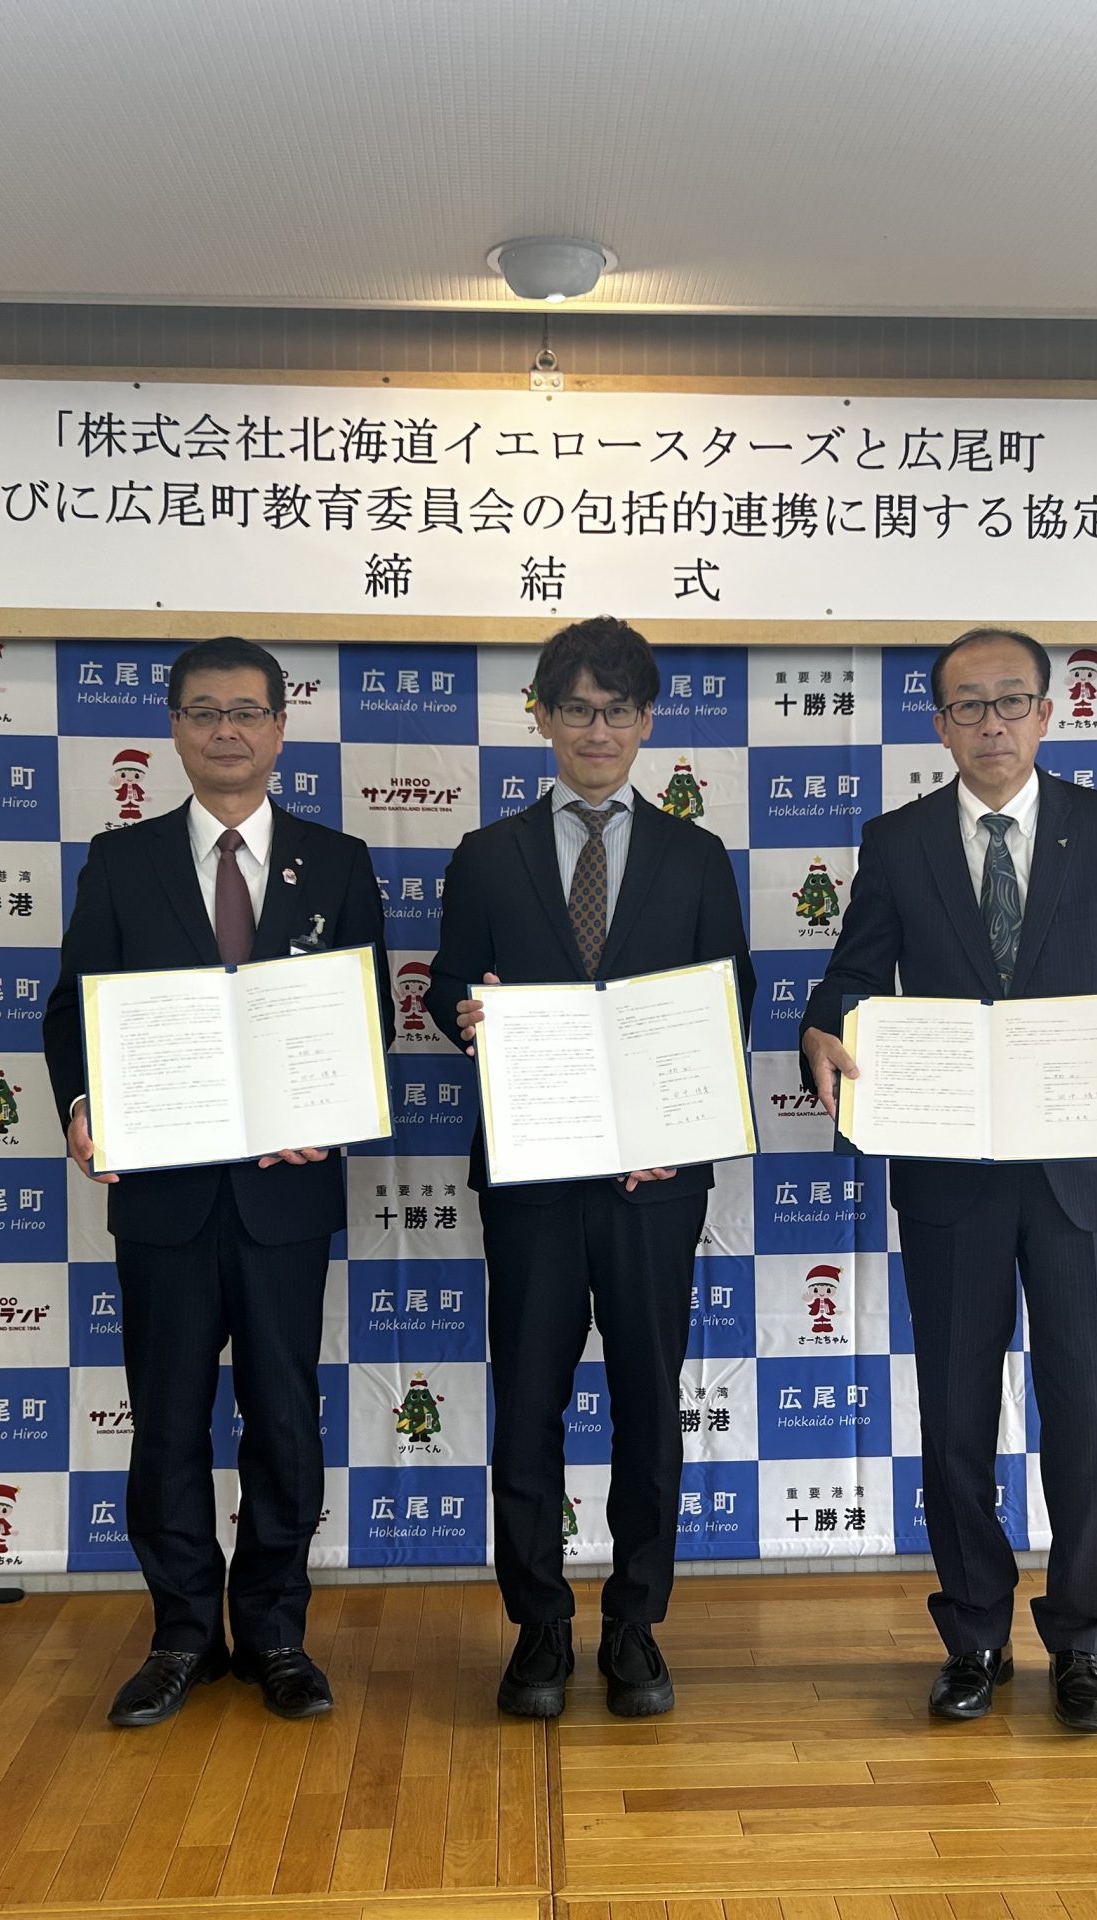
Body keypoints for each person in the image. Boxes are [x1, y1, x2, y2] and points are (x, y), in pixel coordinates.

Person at [800, 626, 1097, 1732]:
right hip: (951, 1177)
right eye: (967, 706)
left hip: (1078, 1171)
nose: (991, 724)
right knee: (958, 1416)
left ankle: (1082, 1641)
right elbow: (850, 978)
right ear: (939, 724)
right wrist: (820, 1030)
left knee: (1085, 1414)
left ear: (1049, 712)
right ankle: (973, 1633)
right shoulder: (897, 841)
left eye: (1011, 701)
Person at [42, 637, 390, 1731]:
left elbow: (366, 1018)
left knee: (284, 1418)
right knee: (168, 1422)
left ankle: (277, 1632)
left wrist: (329, 1110)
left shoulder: (337, 863)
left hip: (285, 1197)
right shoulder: (121, 862)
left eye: (246, 711)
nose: (226, 731)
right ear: (175, 730)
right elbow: (74, 1009)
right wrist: (82, 1101)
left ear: (280, 729)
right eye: (204, 712)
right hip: (165, 1194)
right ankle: (182, 1634)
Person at [428, 616, 753, 1721]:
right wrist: (467, 1014)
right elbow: (447, 989)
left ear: (647, 721)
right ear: (543, 718)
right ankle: (537, 1627)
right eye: (575, 708)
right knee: (528, 1404)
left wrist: (672, 1127)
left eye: (617, 710)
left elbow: (728, 1004)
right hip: (533, 1180)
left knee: (649, 1407)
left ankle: (634, 1625)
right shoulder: (486, 854)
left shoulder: (696, 858)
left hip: (655, 1186)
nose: (596, 730)